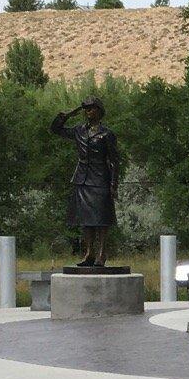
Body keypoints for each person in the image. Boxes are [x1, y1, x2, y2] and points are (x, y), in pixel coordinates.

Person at [50, 97, 121, 268]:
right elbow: (55, 129)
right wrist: (67, 115)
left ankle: (102, 254)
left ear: (99, 110)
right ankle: (89, 253)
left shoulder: (106, 134)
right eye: (86, 109)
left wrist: (113, 184)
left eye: (92, 108)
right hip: (82, 179)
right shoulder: (79, 130)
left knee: (102, 219)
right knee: (86, 219)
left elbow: (114, 161)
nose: (89, 111)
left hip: (100, 179)